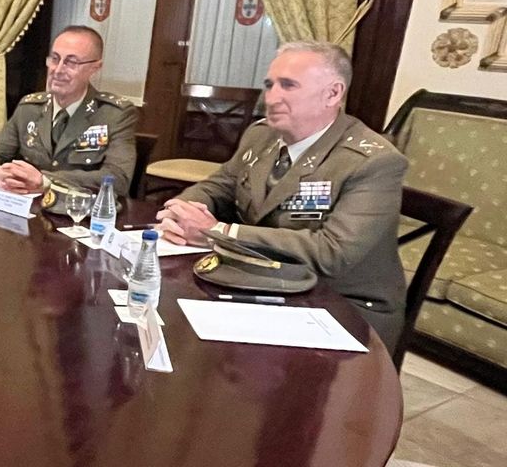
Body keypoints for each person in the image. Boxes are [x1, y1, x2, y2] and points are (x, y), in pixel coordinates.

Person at [156, 41, 408, 351]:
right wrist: (185, 211)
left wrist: (220, 232)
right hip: (267, 282)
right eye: (269, 85)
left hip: (341, 304)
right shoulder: (261, 135)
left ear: (333, 93)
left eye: (288, 86)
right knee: (172, 325)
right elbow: (219, 185)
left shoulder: (373, 161)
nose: (271, 98)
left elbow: (332, 253)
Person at [0, 25, 139, 194]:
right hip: (28, 210)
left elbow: (118, 178)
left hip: (79, 214)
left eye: (71, 62)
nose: (58, 70)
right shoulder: (29, 108)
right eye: (55, 59)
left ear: (95, 67)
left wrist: (45, 181)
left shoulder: (114, 115)